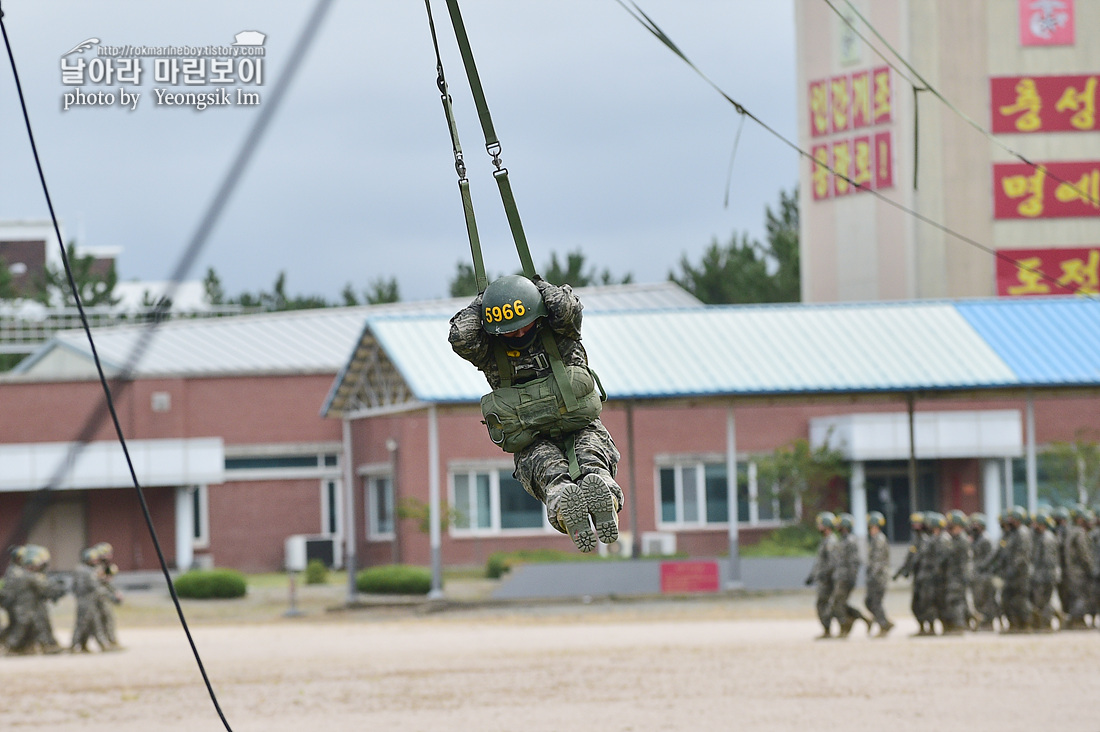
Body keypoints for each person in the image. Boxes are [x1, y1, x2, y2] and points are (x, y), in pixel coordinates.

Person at [449, 275, 623, 553]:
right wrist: (488, 300)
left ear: (537, 314)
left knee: (592, 460)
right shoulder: (489, 351)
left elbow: (567, 306)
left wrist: (535, 287)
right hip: (532, 440)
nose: (518, 335)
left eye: (523, 325)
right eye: (509, 330)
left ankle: (603, 495)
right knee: (548, 473)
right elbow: (460, 336)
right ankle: (566, 504)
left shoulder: (560, 331)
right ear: (494, 328)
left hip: (580, 425)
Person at [70, 546, 113, 652]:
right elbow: (94, 586)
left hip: (89, 600)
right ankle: (76, 645)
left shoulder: (85, 570)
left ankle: (82, 645)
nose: (96, 561)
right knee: (85, 624)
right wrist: (110, 595)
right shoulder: (84, 571)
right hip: (86, 601)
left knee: (88, 624)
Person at [806, 511, 837, 639]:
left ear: (827, 525)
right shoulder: (825, 540)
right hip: (823, 578)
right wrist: (812, 575)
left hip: (827, 579)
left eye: (821, 524)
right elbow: (820, 561)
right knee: (825, 604)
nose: (818, 526)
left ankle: (829, 629)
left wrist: (825, 575)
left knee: (823, 604)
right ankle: (828, 629)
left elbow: (831, 562)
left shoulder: (831, 541)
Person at [941, 510, 973, 634]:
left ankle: (960, 626)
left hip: (958, 576)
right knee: (955, 600)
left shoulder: (962, 540)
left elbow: (964, 561)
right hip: (953, 575)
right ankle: (968, 620)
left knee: (955, 600)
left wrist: (964, 577)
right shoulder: (954, 539)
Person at [1030, 508, 1061, 632]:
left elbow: (1048, 562)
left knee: (1045, 601)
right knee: (1041, 600)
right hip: (1042, 575)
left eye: (1036, 523)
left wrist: (1043, 577)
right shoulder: (1041, 537)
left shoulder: (1047, 539)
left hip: (1046, 575)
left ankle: (1047, 625)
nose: (1034, 526)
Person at [863, 511, 894, 637]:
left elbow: (878, 561)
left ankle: (884, 626)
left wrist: (872, 576)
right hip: (875, 577)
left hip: (878, 577)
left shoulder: (879, 539)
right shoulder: (875, 539)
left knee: (875, 602)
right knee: (869, 602)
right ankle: (885, 622)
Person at [968, 513, 999, 631]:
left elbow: (990, 558)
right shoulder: (975, 539)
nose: (973, 527)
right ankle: (981, 621)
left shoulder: (986, 539)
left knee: (986, 600)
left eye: (976, 524)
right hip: (977, 575)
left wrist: (980, 567)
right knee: (978, 600)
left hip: (985, 575)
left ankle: (988, 623)